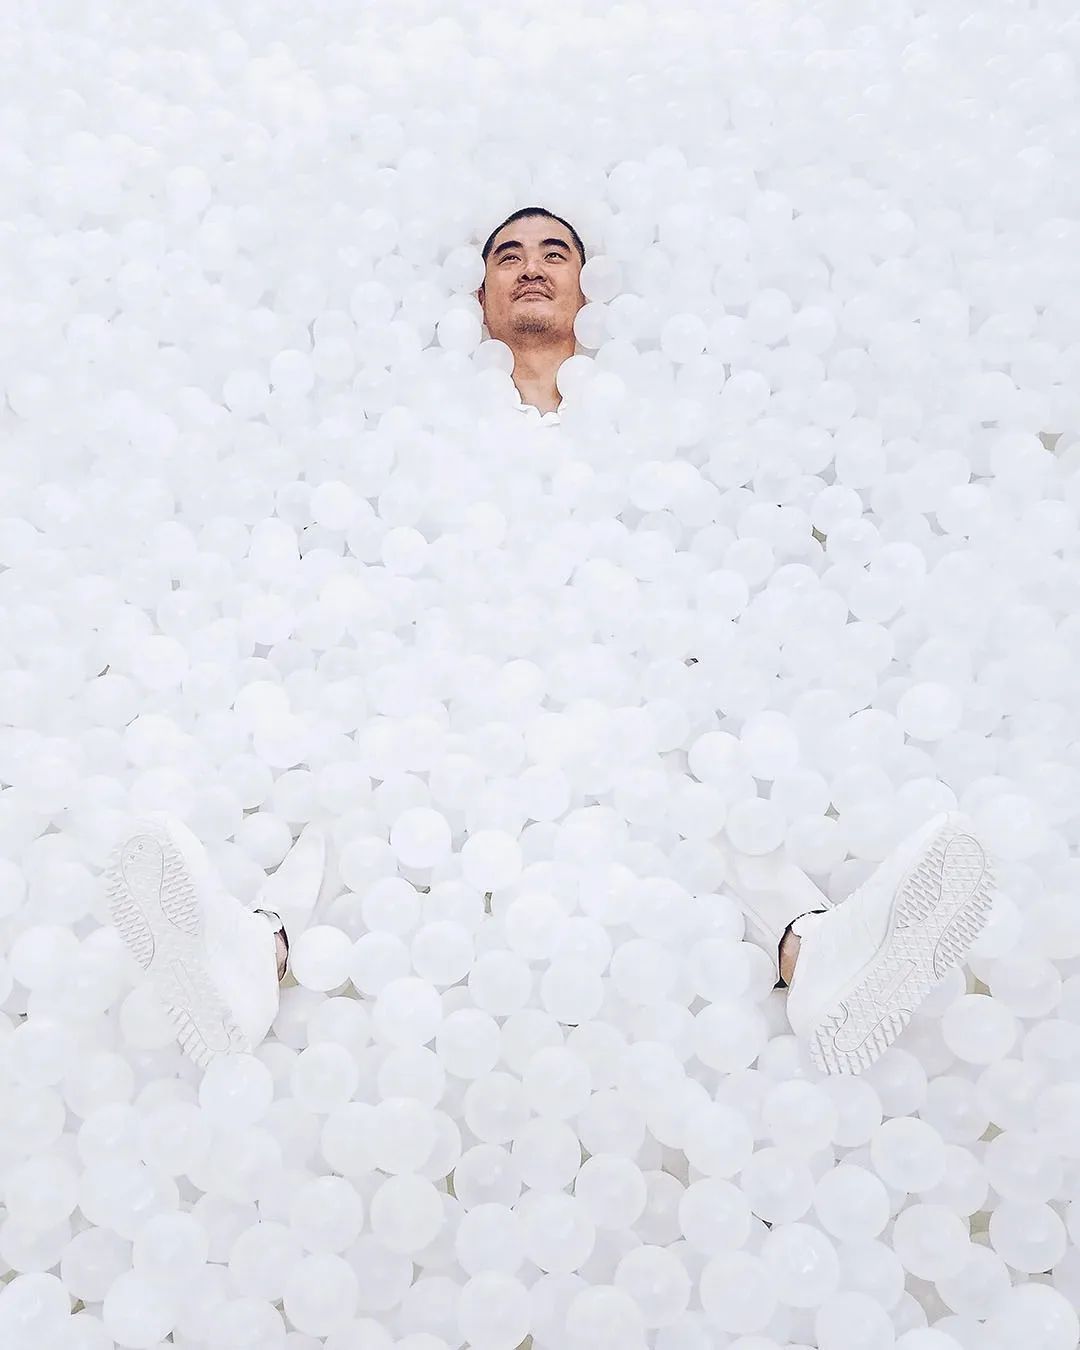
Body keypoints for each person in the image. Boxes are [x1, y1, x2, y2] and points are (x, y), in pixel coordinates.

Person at [104, 208, 999, 1076]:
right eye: (508, 255)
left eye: (554, 252)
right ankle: (253, 953)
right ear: (480, 296)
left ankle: (816, 951)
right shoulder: (422, 422)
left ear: (589, 289)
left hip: (619, 677)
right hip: (449, 674)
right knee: (371, 784)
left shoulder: (652, 425)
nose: (531, 265)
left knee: (699, 779)